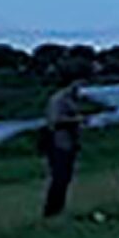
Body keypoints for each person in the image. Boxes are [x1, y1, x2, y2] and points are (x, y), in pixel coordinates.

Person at [43, 78, 89, 217]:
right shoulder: (58, 100)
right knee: (59, 177)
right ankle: (51, 211)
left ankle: (59, 209)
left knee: (65, 178)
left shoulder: (71, 100)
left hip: (69, 143)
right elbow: (54, 120)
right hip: (59, 143)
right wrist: (77, 120)